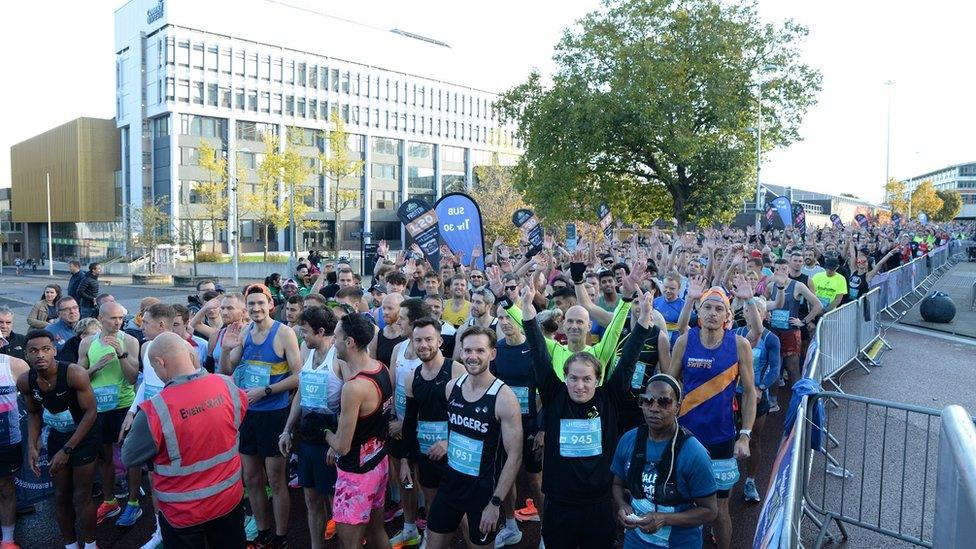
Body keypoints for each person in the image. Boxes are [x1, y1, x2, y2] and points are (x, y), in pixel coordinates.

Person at [520, 275, 651, 548]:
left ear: (597, 378)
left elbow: (628, 361)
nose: (580, 386)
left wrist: (642, 324)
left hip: (599, 503)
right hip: (559, 502)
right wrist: (528, 316)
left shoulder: (610, 397)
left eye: (587, 379)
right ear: (564, 378)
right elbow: (538, 354)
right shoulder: (555, 395)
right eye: (574, 379)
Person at [121, 332, 248, 548]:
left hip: (183, 513)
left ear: (160, 362)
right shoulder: (227, 386)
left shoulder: (155, 409)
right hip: (228, 500)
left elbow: (129, 456)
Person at [670, 277, 756, 549]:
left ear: (727, 316)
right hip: (685, 436)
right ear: (699, 311)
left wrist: (745, 435)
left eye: (719, 309)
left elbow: (751, 393)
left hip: (721, 438)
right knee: (682, 502)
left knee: (719, 510)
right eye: (708, 307)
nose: (712, 313)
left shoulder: (739, 344)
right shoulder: (685, 341)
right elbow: (670, 385)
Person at [424, 325, 522, 549]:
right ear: (460, 352)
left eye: (480, 351)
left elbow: (514, 456)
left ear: (492, 353)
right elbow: (458, 431)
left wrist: (495, 502)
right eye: (468, 351)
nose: (472, 357)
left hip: (483, 492)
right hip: (450, 485)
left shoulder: (504, 398)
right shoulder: (451, 388)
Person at [220, 284, 302, 549]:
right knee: (252, 479)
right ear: (246, 308)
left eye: (260, 303)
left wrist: (265, 390)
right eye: (251, 304)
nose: (256, 308)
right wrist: (225, 348)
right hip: (248, 414)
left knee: (276, 480)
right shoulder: (244, 332)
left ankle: (280, 535)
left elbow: (299, 376)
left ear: (270, 305)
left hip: (274, 414)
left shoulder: (284, 333)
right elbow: (227, 369)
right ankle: (263, 531)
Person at [611, 374, 718, 548]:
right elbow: (617, 484)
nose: (654, 408)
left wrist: (665, 519)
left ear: (678, 406)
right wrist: (623, 505)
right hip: (635, 542)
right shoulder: (628, 440)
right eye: (647, 400)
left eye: (664, 402)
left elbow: (710, 511)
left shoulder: (694, 453)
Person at [19, 329, 100, 549]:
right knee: (61, 496)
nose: (40, 355)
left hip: (84, 436)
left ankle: (91, 545)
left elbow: (91, 413)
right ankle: (70, 545)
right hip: (58, 437)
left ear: (54, 350)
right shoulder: (26, 381)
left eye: (45, 349)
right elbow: (34, 413)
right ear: (26, 355)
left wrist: (67, 450)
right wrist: (32, 446)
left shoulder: (74, 373)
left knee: (82, 495)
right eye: (33, 351)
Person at [326, 313, 393, 548]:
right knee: (377, 533)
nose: (333, 342)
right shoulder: (381, 368)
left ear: (350, 342)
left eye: (335, 337)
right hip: (378, 463)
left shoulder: (354, 388)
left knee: (350, 543)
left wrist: (323, 430)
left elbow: (342, 446)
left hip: (356, 474)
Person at [279, 307, 344, 549]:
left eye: (305, 332)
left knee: (336, 501)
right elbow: (301, 394)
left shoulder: (338, 357)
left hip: (330, 440)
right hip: (307, 437)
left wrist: (338, 440)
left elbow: (350, 401)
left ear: (320, 331)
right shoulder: (307, 351)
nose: (301, 336)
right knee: (310, 498)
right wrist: (287, 429)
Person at [398, 318, 465, 548]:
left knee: (462, 510)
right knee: (431, 504)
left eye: (428, 339)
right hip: (426, 454)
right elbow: (409, 422)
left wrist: (448, 441)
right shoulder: (411, 377)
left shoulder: (456, 370)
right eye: (418, 340)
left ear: (439, 340)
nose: (423, 344)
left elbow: (468, 417)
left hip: (455, 453)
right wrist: (405, 460)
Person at [76, 302, 141, 525]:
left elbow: (133, 378)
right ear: (100, 318)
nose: (117, 322)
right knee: (104, 458)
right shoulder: (87, 342)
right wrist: (96, 367)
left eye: (120, 318)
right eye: (112, 318)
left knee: (130, 455)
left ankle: (133, 504)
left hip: (123, 405)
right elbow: (79, 377)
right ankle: (110, 501)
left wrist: (121, 354)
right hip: (99, 407)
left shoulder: (130, 341)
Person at [489, 303, 545, 542]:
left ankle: (546, 528)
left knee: (534, 479)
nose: (504, 322)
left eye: (508, 317)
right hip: (504, 423)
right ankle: (511, 525)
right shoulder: (498, 349)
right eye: (500, 317)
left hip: (531, 421)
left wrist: (542, 426)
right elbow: (492, 385)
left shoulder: (535, 348)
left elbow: (547, 391)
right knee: (505, 474)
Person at [386, 298, 432, 546]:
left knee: (425, 482)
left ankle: (430, 533)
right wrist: (394, 418)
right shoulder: (398, 349)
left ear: (414, 322)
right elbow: (393, 389)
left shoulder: (429, 352)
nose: (398, 321)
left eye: (402, 318)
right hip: (399, 427)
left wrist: (407, 426)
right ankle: (409, 527)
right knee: (404, 480)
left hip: (422, 430)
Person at [734, 297, 781, 504]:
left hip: (756, 396)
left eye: (756, 310)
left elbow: (775, 369)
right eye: (745, 309)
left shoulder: (771, 339)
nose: (750, 313)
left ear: (764, 314)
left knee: (753, 439)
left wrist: (761, 387)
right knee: (729, 437)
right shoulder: (736, 334)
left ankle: (751, 481)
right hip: (733, 394)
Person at [0, 350, 28, 548]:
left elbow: (34, 401)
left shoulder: (16, 365)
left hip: (6, 438)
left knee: (5, 486)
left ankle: (7, 539)